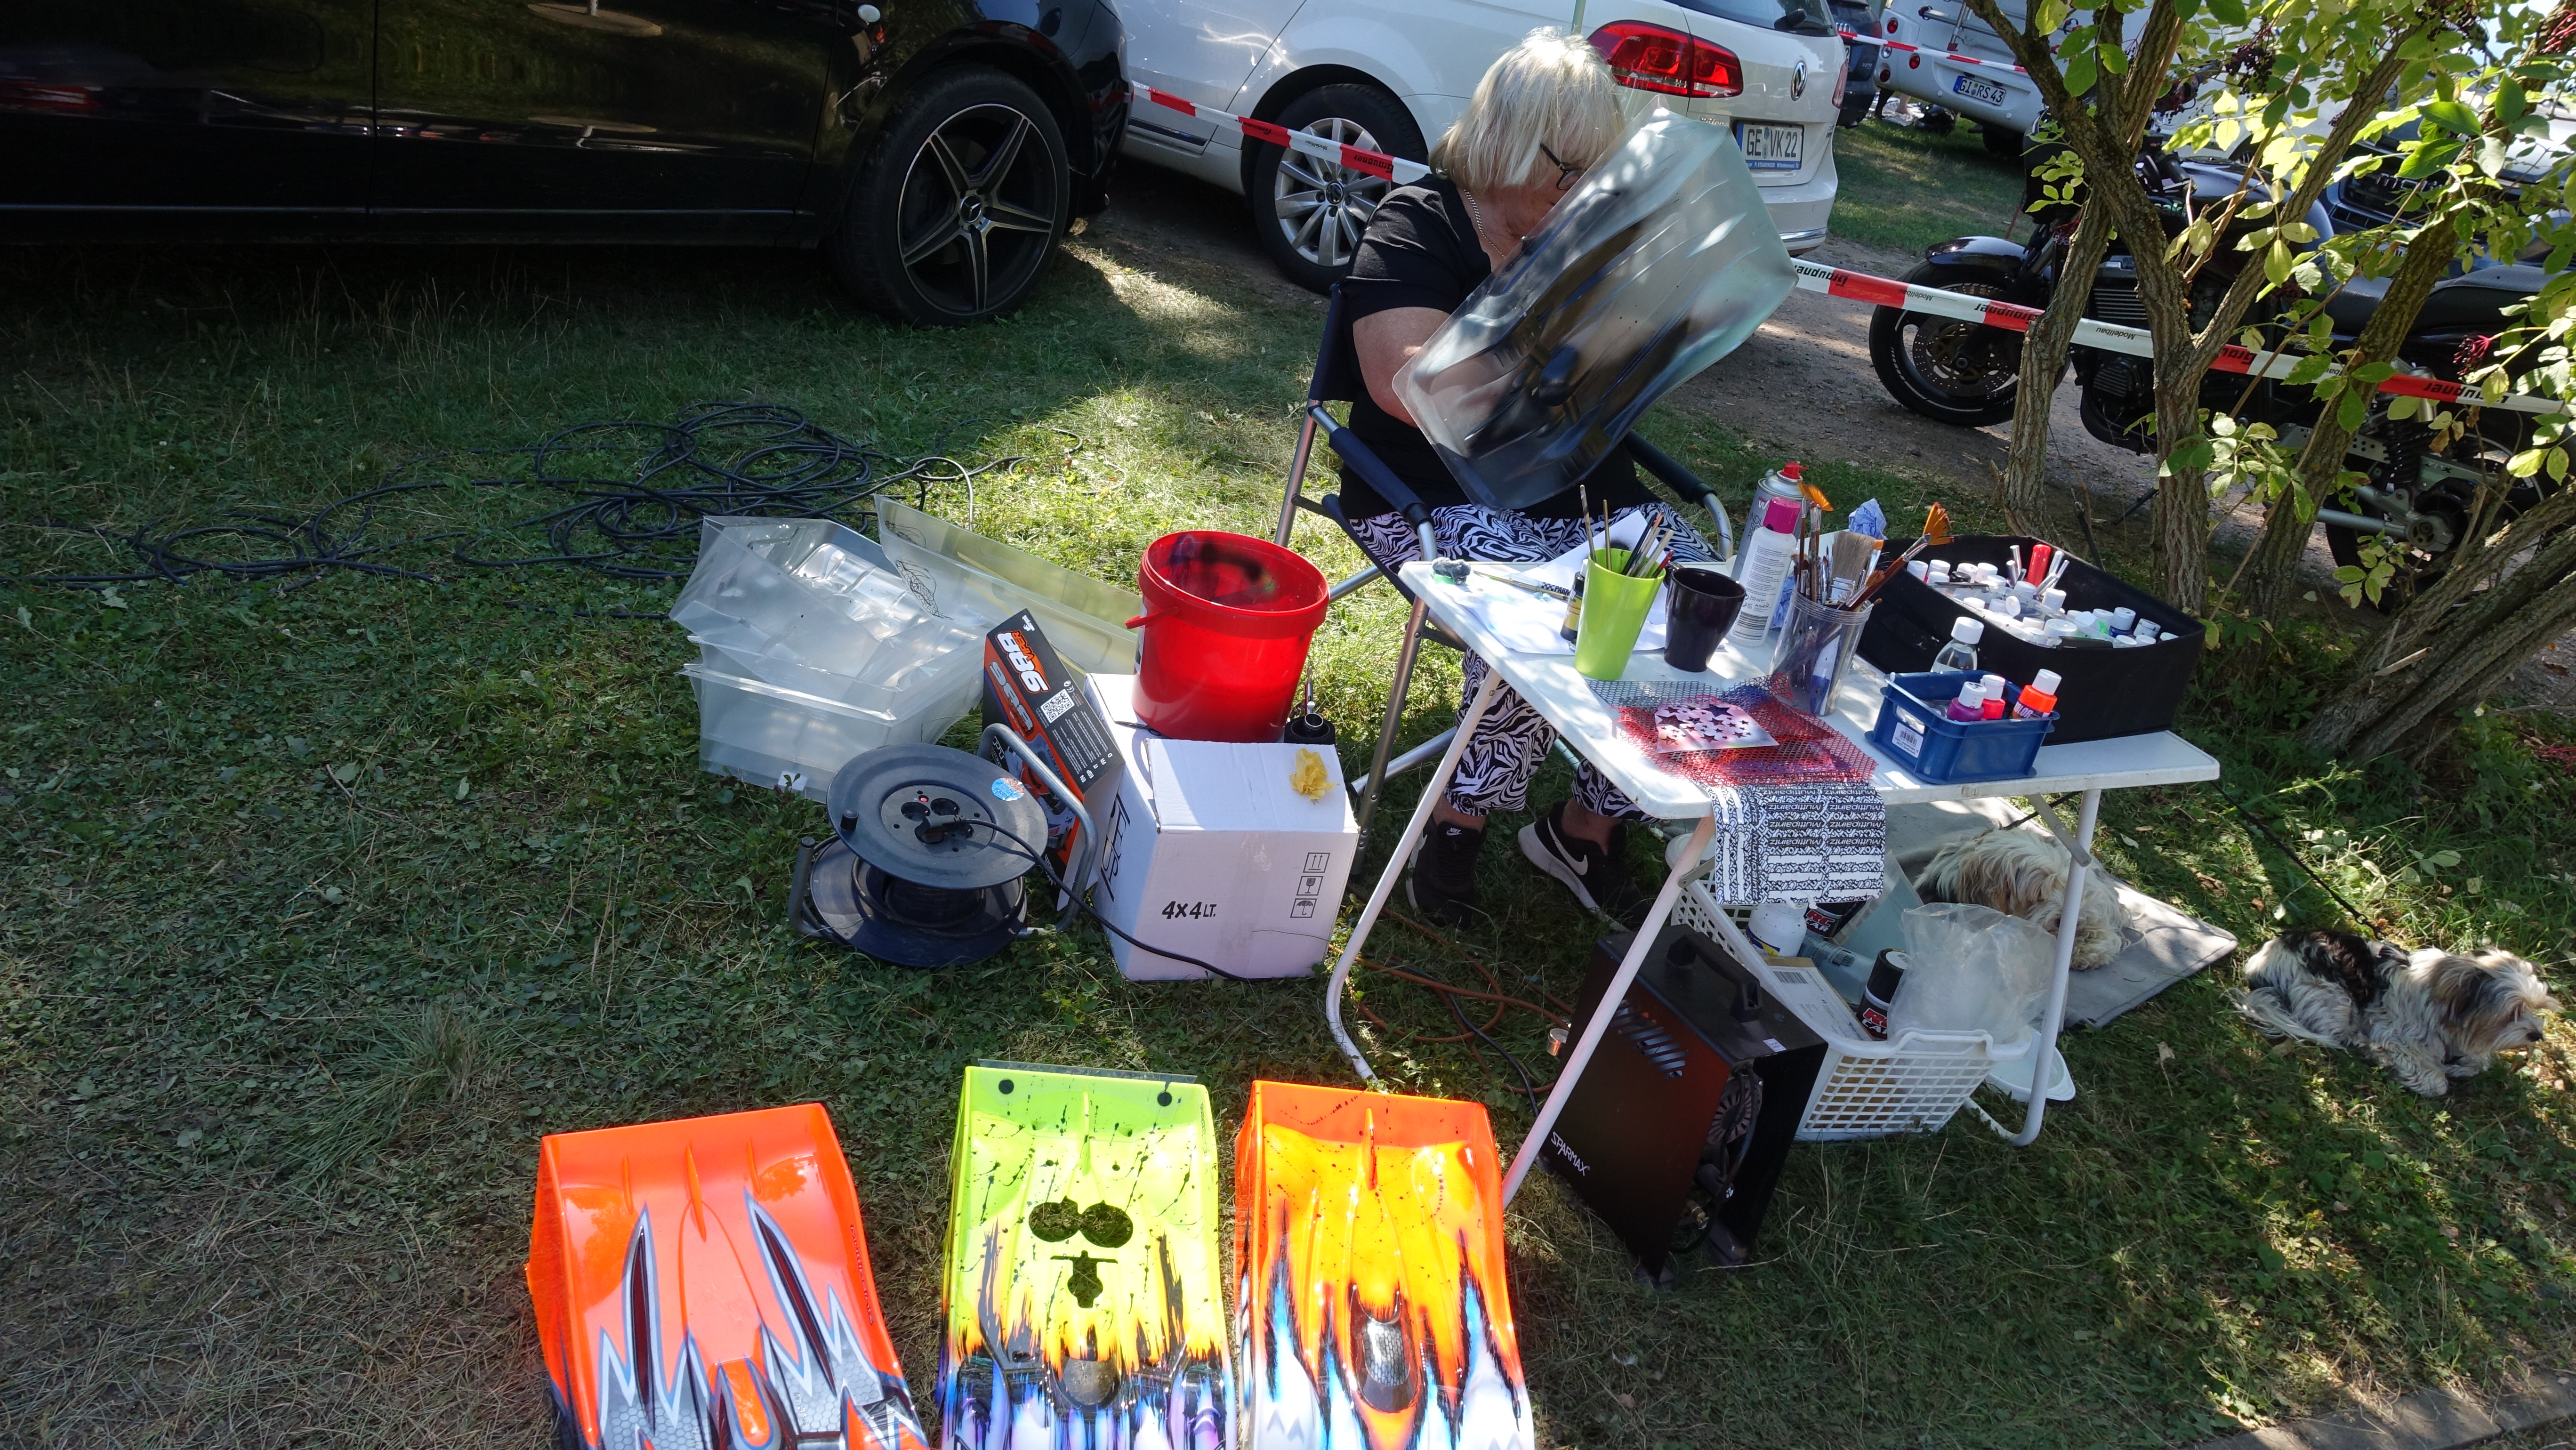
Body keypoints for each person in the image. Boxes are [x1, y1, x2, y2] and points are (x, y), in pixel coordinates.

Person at [1339, 28, 1719, 927]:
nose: (1583, 195)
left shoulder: (1584, 245)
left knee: (1705, 605)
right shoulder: (1420, 222)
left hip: (1584, 495)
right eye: (1570, 172)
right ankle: (1456, 823)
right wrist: (1549, 343)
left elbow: (1628, 367)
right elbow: (1404, 388)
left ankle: (1587, 827)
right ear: (1510, 142)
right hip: (1431, 493)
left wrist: (1642, 329)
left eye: (1600, 176)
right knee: (1542, 624)